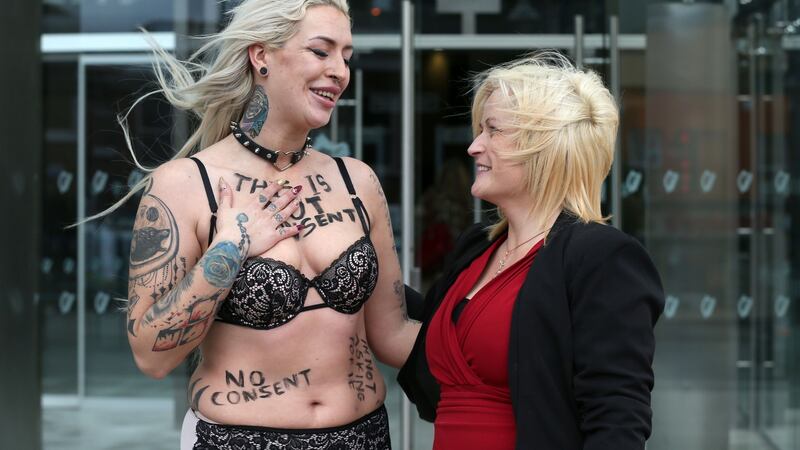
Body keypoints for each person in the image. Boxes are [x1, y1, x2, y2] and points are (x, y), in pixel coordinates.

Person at [118, 1, 419, 448]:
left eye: (347, 56)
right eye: (321, 51)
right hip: (240, 439)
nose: (339, 70)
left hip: (364, 434)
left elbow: (393, 335)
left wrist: (508, 329)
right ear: (261, 57)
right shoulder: (186, 184)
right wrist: (230, 248)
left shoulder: (355, 180)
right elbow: (151, 357)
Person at [397, 52, 665, 450]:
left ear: (544, 146)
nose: (474, 146)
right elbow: (431, 331)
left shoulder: (602, 257)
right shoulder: (478, 247)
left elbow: (617, 418)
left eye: (493, 130)